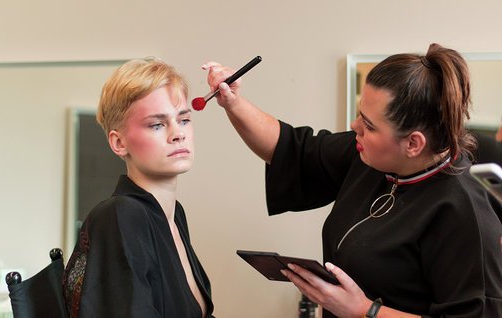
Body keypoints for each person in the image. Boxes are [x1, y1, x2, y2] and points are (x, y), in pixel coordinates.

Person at [200, 44, 502, 317]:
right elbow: (292, 149)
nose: (354, 126)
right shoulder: (369, 156)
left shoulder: (464, 213)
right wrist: (233, 102)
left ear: (413, 144)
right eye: (360, 114)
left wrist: (364, 311)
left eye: (369, 125)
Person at [62, 57, 214, 318]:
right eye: (157, 124)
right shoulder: (121, 215)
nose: (178, 133)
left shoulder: (175, 214)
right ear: (119, 143)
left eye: (184, 120)